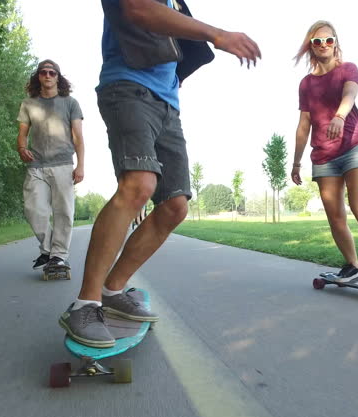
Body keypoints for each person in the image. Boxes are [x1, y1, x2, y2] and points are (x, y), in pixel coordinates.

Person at [58, 0, 261, 348]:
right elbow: (137, 9)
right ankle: (85, 305)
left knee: (175, 205)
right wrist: (217, 34)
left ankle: (113, 289)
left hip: (167, 104)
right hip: (128, 88)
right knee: (138, 184)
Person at [291, 20, 358, 288]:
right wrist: (295, 162)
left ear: (335, 43)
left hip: (354, 146)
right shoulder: (306, 84)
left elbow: (350, 92)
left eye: (329, 40)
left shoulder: (347, 70)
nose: (324, 45)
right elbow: (304, 124)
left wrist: (339, 115)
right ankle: (352, 266)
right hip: (323, 156)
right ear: (311, 47)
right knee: (335, 216)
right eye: (317, 42)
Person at [16, 59, 85, 273]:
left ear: (58, 77)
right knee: (33, 208)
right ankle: (48, 249)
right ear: (38, 76)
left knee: (63, 211)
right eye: (44, 72)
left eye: (52, 73)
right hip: (36, 164)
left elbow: (78, 136)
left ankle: (59, 256)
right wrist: (21, 148)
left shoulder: (70, 103)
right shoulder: (29, 104)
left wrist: (80, 165)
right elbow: (22, 134)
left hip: (63, 163)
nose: (47, 76)